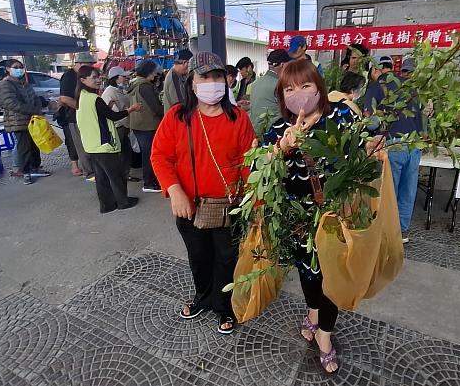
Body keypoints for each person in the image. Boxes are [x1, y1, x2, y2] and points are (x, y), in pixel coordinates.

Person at [263, 58, 366, 374]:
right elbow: (261, 168)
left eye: (305, 85)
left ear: (319, 88)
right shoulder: (280, 128)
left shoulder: (342, 117)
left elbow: (360, 157)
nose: (298, 94)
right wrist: (282, 148)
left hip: (335, 217)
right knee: (309, 275)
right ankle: (312, 313)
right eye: (289, 89)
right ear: (282, 96)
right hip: (297, 218)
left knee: (332, 277)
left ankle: (324, 335)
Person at [151, 51, 256, 335]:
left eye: (217, 76)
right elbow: (160, 156)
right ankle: (203, 298)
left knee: (226, 259)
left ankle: (224, 306)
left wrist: (255, 202)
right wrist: (174, 191)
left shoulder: (239, 119)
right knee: (198, 257)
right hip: (189, 207)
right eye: (204, 77)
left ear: (226, 80)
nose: (211, 82)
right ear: (193, 83)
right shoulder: (178, 116)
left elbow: (250, 164)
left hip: (228, 206)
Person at [363, 57, 423, 242]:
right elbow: (420, 118)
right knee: (409, 189)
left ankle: (387, 233)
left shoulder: (375, 87)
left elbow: (370, 119)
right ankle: (402, 231)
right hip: (414, 144)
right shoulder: (408, 86)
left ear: (375, 71)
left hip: (392, 143)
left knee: (390, 190)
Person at [76, 66, 143, 213]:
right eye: (94, 77)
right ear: (83, 79)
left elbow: (97, 116)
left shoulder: (82, 96)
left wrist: (107, 107)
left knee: (102, 178)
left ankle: (107, 205)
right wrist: (131, 109)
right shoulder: (94, 98)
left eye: (98, 77)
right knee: (116, 175)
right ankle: (123, 202)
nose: (98, 80)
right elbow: (113, 116)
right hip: (103, 144)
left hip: (91, 144)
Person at [0, 59, 50, 185]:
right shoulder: (5, 84)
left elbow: (33, 97)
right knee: (24, 148)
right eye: (15, 67)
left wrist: (38, 106)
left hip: (32, 120)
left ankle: (35, 168)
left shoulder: (24, 83)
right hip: (18, 122)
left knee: (34, 146)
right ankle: (26, 172)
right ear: (8, 69)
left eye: (21, 67)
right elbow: (10, 103)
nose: (19, 69)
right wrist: (31, 109)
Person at [58, 52, 96, 179]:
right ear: (79, 63)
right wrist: (82, 108)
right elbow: (64, 98)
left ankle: (93, 170)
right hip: (74, 117)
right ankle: (89, 173)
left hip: (84, 115)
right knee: (81, 146)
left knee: (89, 144)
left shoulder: (82, 75)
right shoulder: (69, 76)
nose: (91, 67)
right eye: (88, 64)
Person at [128, 59, 164, 193]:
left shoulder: (135, 83)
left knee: (146, 153)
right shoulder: (145, 86)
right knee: (150, 154)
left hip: (139, 124)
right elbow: (155, 108)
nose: (155, 75)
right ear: (148, 72)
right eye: (154, 72)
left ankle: (149, 180)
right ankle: (149, 182)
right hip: (147, 125)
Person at [102, 67, 140, 182]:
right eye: (123, 77)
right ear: (116, 78)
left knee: (126, 153)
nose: (126, 79)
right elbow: (115, 113)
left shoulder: (120, 90)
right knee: (120, 154)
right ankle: (119, 177)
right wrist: (130, 114)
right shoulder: (109, 92)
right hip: (118, 127)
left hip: (125, 126)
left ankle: (125, 174)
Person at [248, 49, 291, 134]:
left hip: (255, 132)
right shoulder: (280, 85)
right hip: (274, 133)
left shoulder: (256, 83)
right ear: (282, 65)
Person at [163, 49, 193, 113]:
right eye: (190, 65)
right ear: (185, 63)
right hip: (177, 118)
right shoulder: (174, 78)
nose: (190, 69)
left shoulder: (179, 75)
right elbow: (179, 103)